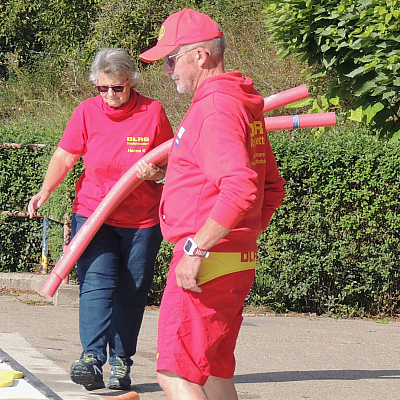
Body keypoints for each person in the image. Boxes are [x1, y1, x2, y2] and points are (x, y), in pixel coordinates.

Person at [139, 9, 286, 400]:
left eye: (172, 60)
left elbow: (241, 188)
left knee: (176, 373)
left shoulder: (215, 108)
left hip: (205, 257)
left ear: (200, 56)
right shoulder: (237, 104)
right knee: (214, 372)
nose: (168, 70)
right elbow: (269, 188)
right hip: (231, 257)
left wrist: (197, 246)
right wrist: (240, 235)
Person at [27, 47, 173, 391]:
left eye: (117, 88)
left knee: (132, 290)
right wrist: (46, 190)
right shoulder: (87, 112)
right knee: (96, 286)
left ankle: (121, 363)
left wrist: (156, 174)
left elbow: (173, 161)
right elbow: (65, 155)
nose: (109, 95)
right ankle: (91, 359)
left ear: (131, 83)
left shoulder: (153, 112)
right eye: (102, 88)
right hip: (93, 214)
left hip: (141, 221)